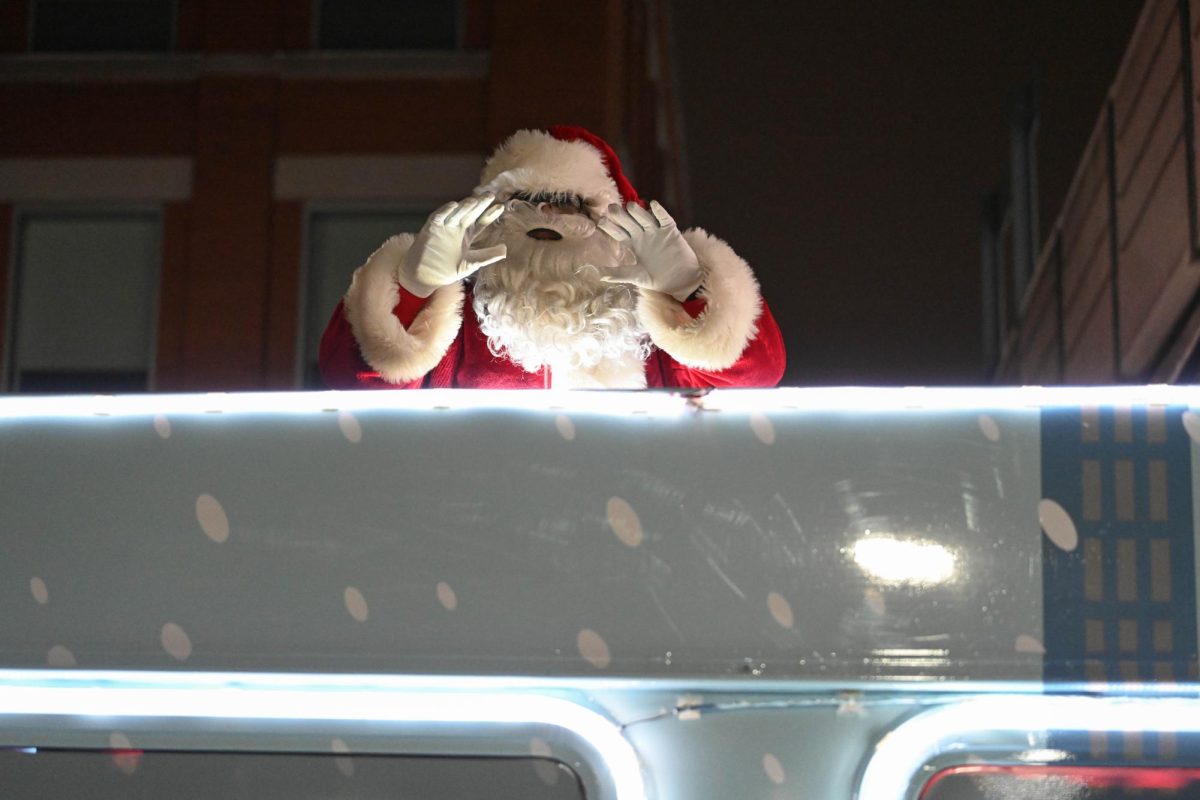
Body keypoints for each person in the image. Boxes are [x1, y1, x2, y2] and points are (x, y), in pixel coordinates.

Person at [319, 125, 785, 390]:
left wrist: (687, 291)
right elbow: (354, 381)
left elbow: (753, 378)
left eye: (571, 205)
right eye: (524, 201)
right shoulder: (460, 323)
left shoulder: (648, 325)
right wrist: (414, 290)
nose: (546, 216)